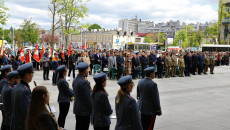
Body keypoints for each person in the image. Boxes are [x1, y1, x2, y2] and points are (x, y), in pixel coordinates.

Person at [11, 63, 34, 130]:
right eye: (32, 73)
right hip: (22, 125)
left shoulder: (17, 86)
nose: (33, 76)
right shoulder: (24, 91)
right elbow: (27, 112)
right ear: (27, 75)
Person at [72, 62, 92, 130]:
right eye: (87, 69)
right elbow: (88, 98)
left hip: (77, 108)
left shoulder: (75, 80)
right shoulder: (84, 82)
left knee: (78, 126)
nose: (88, 70)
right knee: (84, 127)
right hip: (84, 110)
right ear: (84, 70)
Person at [0, 65, 12, 129]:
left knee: (5, 120)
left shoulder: (5, 79)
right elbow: (5, 93)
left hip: (4, 103)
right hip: (4, 103)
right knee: (6, 121)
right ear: (6, 72)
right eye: (10, 71)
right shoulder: (4, 81)